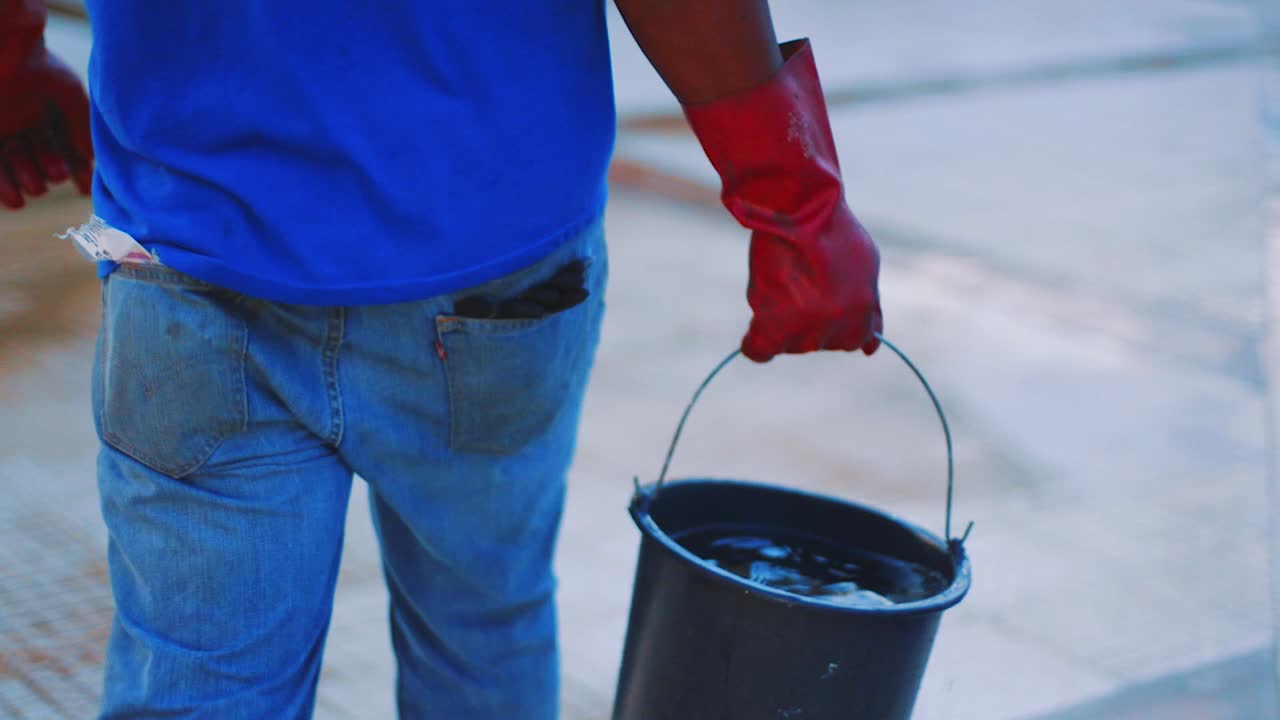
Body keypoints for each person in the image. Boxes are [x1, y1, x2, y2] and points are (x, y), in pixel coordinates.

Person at [1, 0, 883, 717]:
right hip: (490, 263)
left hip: (189, 248)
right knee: (481, 633)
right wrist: (792, 200)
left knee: (200, 683)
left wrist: (10, 51)